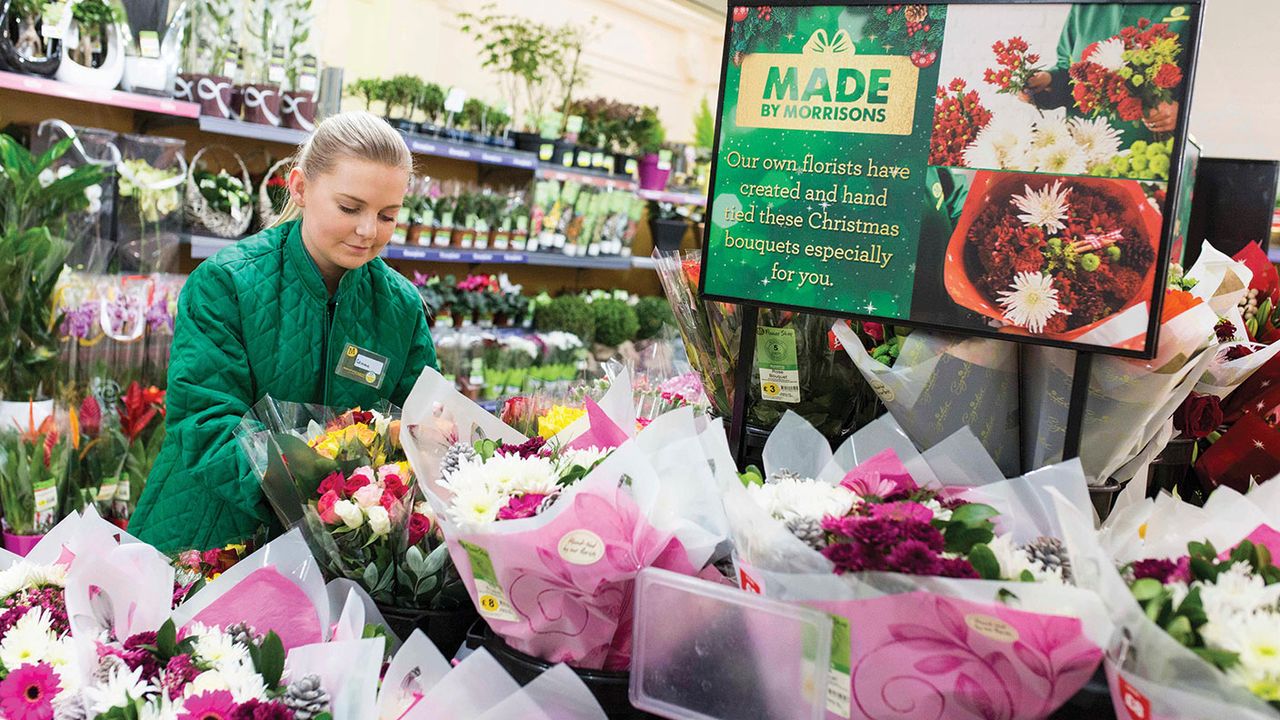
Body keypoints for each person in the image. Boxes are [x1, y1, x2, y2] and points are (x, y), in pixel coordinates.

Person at [129, 112, 438, 551]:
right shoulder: (226, 284)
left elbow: (418, 425)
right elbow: (206, 427)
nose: (368, 231)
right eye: (349, 208)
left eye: (388, 215)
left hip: (343, 545)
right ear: (300, 188)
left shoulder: (401, 307)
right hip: (213, 539)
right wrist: (322, 503)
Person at [1019, 4, 1193, 139]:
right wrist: (1046, 83)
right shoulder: (1085, 7)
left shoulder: (1189, 7)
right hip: (1083, 151)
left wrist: (1183, 113)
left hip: (1152, 156)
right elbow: (1068, 69)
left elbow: (1214, 84)